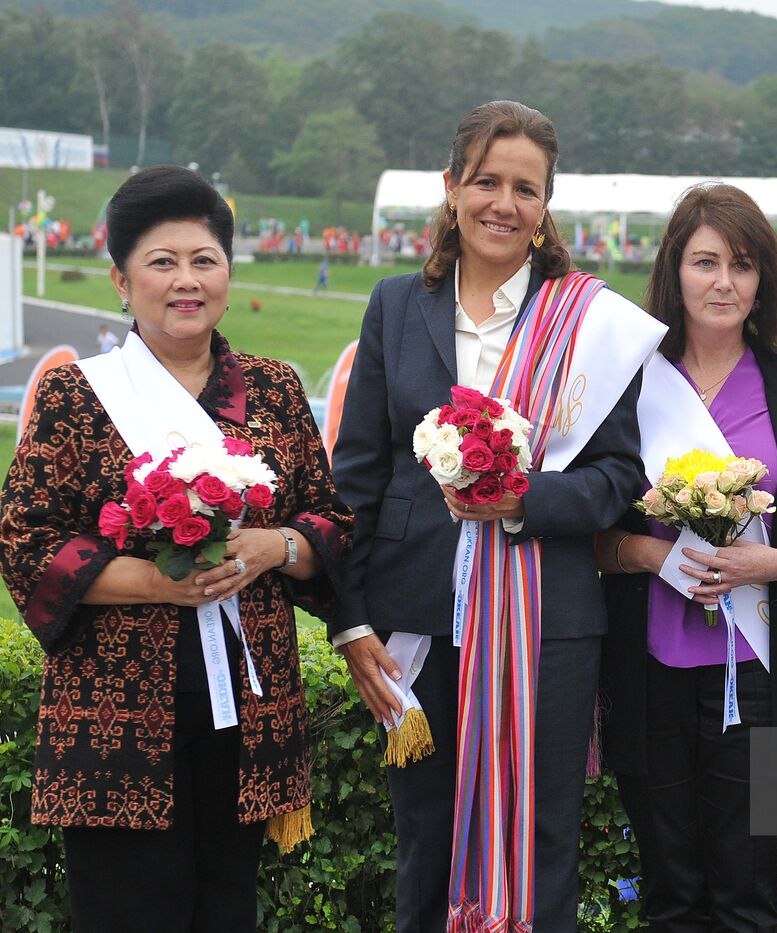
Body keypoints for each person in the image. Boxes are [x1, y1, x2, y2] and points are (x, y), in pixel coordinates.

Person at [331, 100, 663, 933]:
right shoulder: (395, 306)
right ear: (452, 188)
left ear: (546, 204)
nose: (503, 204)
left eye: (525, 188)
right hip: (416, 620)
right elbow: (359, 476)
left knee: (540, 837)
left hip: (547, 621)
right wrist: (351, 620)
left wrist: (526, 501)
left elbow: (619, 476)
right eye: (486, 182)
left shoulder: (586, 320)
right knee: (426, 836)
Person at [0, 165, 350, 933]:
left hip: (250, 716)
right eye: (162, 262)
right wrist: (161, 582)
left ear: (227, 272)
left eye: (203, 260)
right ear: (122, 282)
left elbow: (330, 523)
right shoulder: (74, 394)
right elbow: (26, 542)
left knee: (227, 910)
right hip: (112, 716)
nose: (186, 280)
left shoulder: (275, 390)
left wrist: (274, 545)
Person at [596, 183, 777, 930]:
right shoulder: (628, 382)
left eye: (743, 264)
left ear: (763, 279)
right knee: (671, 895)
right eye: (705, 262)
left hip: (761, 671)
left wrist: (773, 564)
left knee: (748, 897)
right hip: (648, 671)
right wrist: (651, 554)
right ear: (674, 270)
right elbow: (590, 529)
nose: (724, 282)